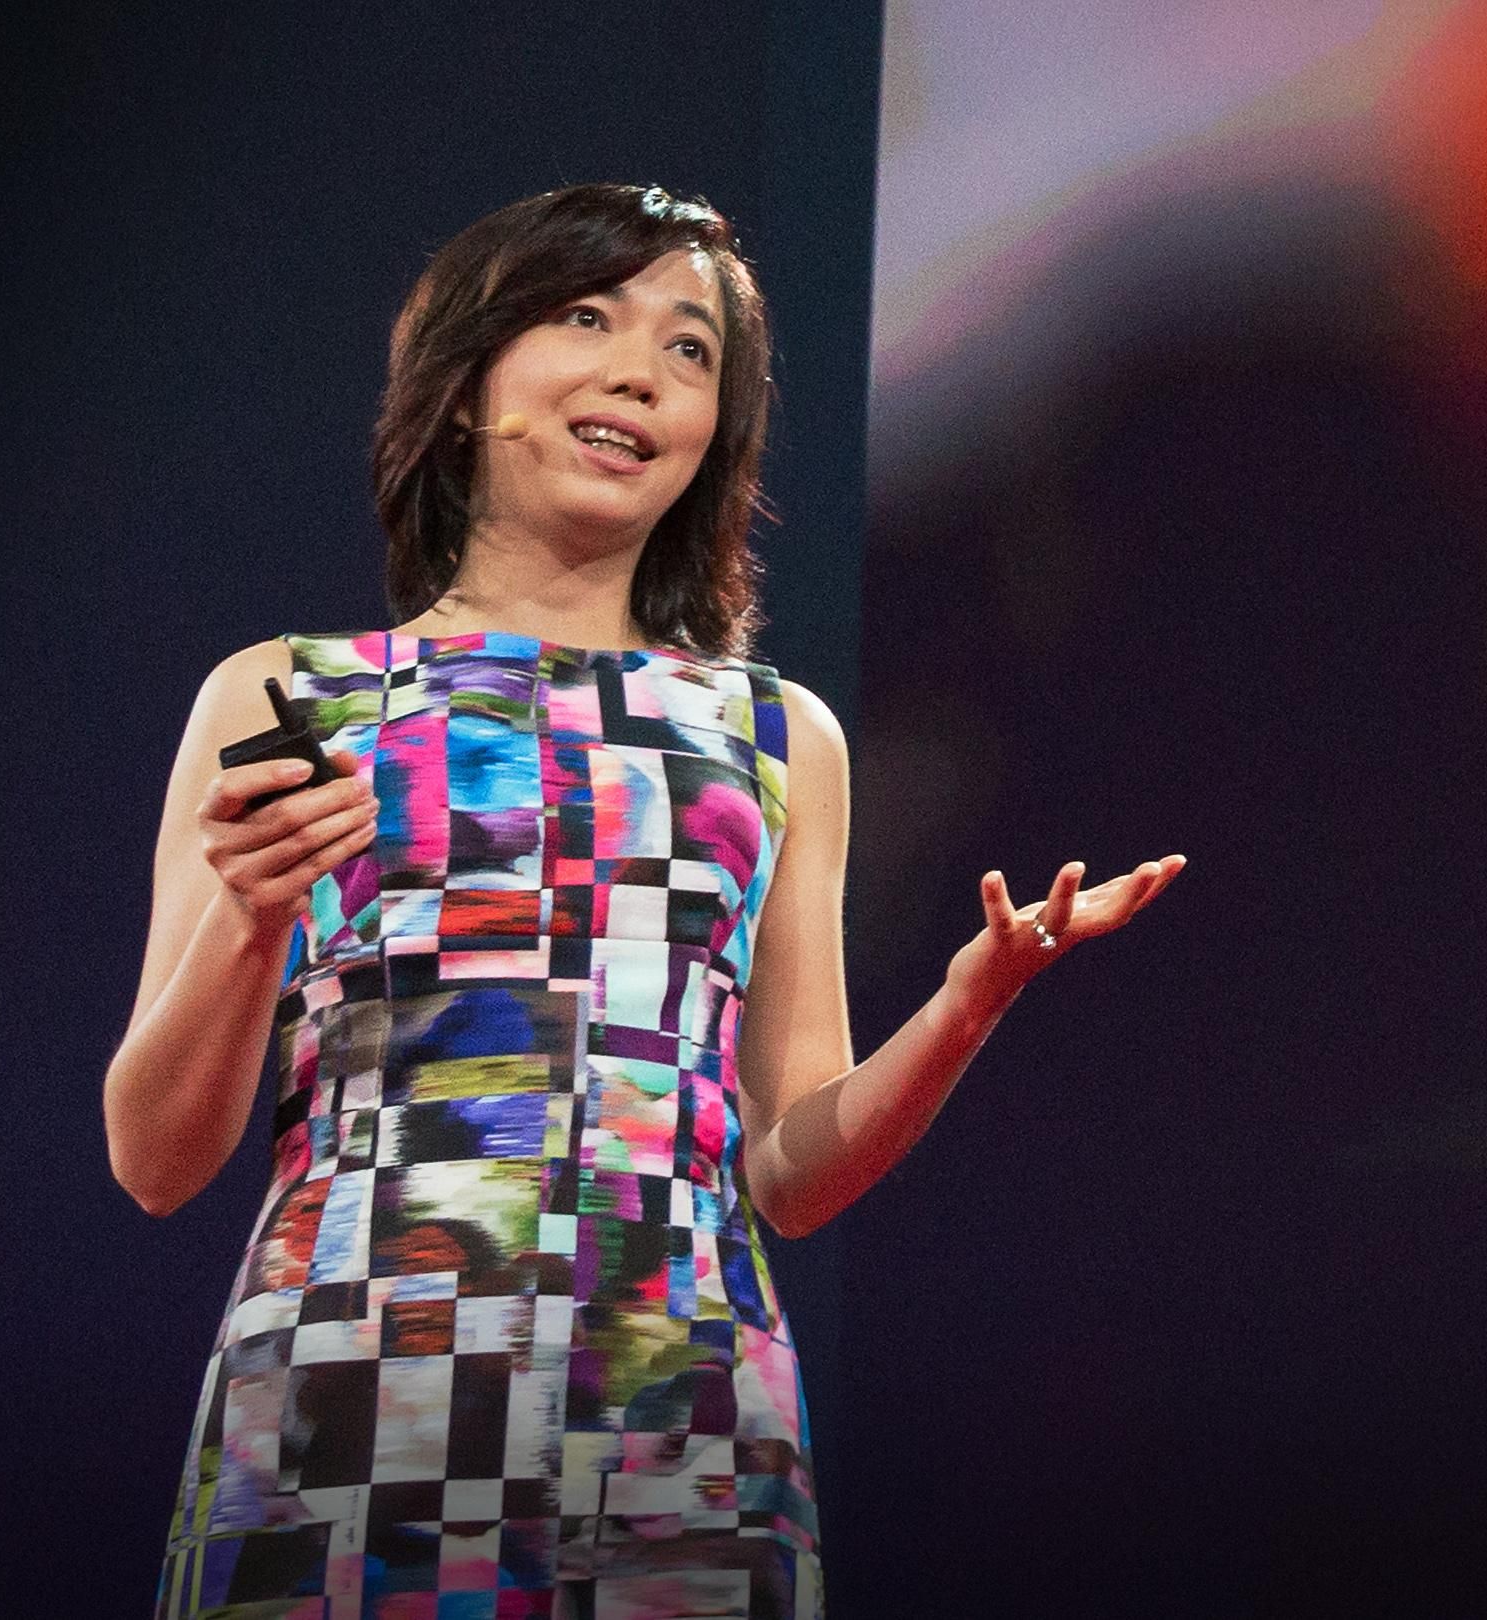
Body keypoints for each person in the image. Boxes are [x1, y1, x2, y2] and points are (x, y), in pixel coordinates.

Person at [104, 182, 1185, 1620]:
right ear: (468, 379)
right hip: (357, 1395)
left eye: (691, 353)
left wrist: (969, 1002)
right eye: (588, 319)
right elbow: (157, 1159)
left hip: (677, 1417)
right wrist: (246, 924)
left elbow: (793, 1174)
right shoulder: (289, 697)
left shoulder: (775, 732)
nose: (640, 371)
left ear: (712, 442)